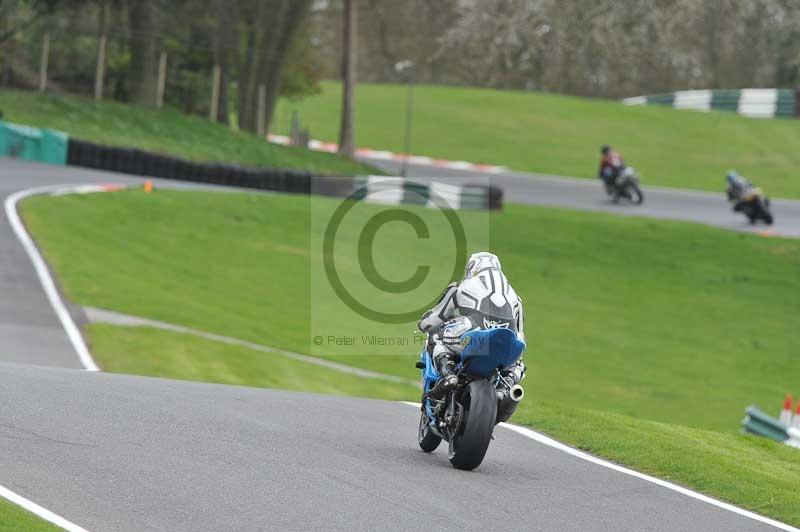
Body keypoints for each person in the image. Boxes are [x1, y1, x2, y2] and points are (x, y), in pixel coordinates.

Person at [418, 252, 525, 394]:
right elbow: (520, 334)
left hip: (476, 334)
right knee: (519, 364)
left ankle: (449, 374)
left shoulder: (461, 286)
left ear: (472, 269)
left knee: (436, 338)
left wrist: (422, 323)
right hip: (508, 340)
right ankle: (505, 387)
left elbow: (431, 322)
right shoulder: (514, 296)